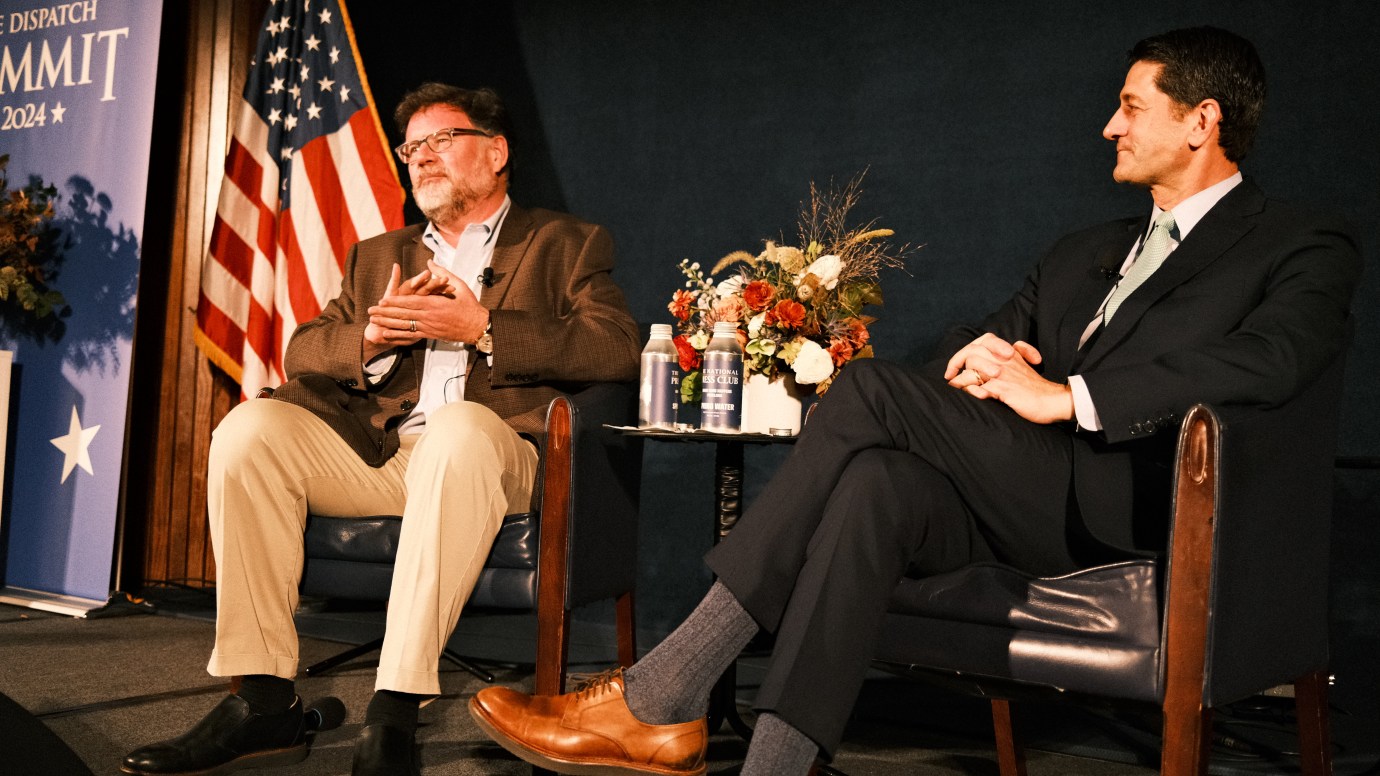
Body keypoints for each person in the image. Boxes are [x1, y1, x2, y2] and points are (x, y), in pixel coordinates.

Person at [468, 27, 1361, 776]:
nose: (1107, 127)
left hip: (1142, 501)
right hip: (1022, 487)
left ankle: (664, 692)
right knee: (877, 489)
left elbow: (1274, 361)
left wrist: (1069, 394)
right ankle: (774, 765)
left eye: (1130, 107)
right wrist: (978, 360)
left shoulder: (1295, 244)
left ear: (1202, 120)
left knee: (864, 390)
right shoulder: (1086, 248)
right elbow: (966, 349)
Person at [122, 84, 640, 776]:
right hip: (384, 453)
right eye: (411, 148)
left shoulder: (564, 243)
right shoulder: (378, 254)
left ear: (495, 152)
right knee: (247, 431)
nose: (420, 159)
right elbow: (303, 349)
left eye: (440, 141)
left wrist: (483, 328)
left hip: (495, 453)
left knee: (457, 431)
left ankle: (394, 709)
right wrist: (368, 337)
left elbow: (614, 347)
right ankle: (265, 701)